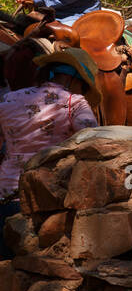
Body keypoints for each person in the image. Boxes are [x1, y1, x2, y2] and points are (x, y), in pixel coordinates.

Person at [0, 49, 100, 257]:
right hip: (48, 200)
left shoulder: (7, 100)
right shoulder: (75, 102)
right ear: (73, 79)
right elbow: (93, 142)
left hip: (5, 195)